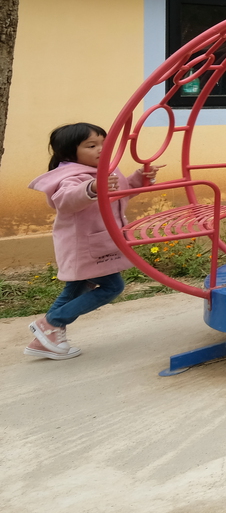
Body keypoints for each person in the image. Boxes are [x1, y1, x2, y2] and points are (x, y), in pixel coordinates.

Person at [24, 123, 159, 359]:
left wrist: (139, 178)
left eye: (104, 144)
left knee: (77, 288)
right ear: (69, 152)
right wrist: (92, 187)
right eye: (91, 145)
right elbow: (65, 200)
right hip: (84, 247)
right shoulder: (70, 176)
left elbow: (120, 195)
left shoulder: (106, 170)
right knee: (112, 287)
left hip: (99, 243)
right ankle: (52, 321)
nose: (101, 149)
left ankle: (44, 338)